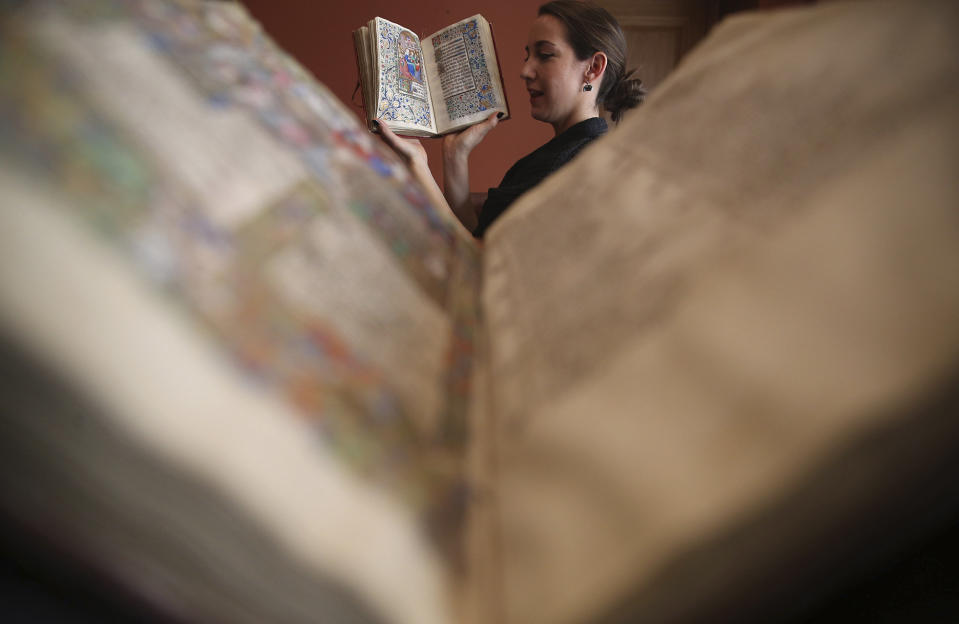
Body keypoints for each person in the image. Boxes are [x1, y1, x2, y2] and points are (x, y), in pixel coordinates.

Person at [377, 0, 646, 238]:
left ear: (593, 67)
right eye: (527, 56)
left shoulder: (577, 167)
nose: (526, 70)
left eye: (545, 55)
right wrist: (455, 156)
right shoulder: (563, 152)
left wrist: (417, 165)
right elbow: (477, 235)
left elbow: (476, 260)